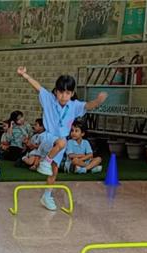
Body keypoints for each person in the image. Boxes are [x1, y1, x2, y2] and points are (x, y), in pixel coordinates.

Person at [17, 66, 107, 210]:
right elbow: (38, 86)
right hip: (48, 137)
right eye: (61, 92)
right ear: (56, 92)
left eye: (67, 93)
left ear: (72, 93)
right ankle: (45, 162)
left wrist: (98, 101)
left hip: (60, 143)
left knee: (54, 172)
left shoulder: (74, 106)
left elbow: (88, 106)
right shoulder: (49, 99)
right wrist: (25, 75)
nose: (64, 96)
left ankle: (46, 196)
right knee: (62, 142)